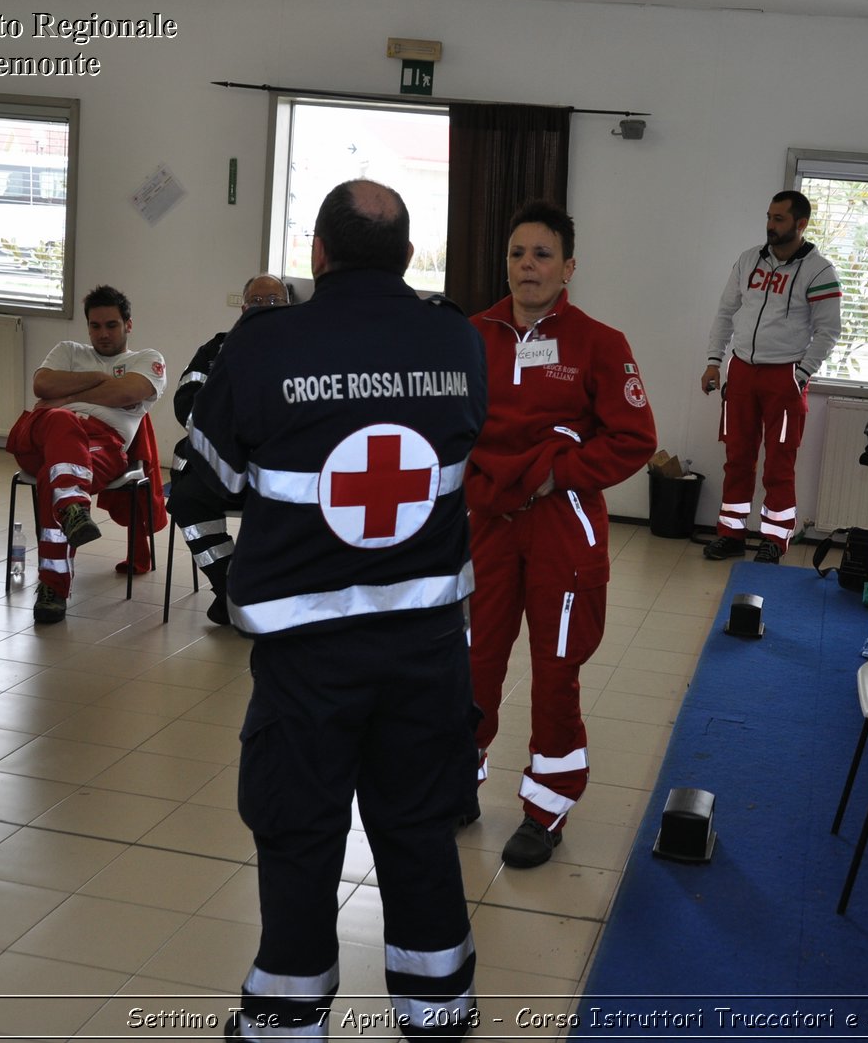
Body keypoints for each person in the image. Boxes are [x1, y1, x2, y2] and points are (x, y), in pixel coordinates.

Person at [186, 180, 484, 1042]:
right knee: (422, 828)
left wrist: (238, 574)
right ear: (407, 258)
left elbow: (205, 482)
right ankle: (438, 1011)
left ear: (318, 253)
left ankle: (285, 1022)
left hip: (304, 660)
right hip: (429, 648)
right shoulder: (458, 341)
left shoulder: (264, 347)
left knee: (299, 833)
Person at [466, 200, 657, 869]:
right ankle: (459, 782)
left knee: (555, 672)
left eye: (542, 254)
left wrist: (557, 477)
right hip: (486, 524)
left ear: (568, 266)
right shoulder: (473, 335)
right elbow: (450, 430)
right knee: (472, 661)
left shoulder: (599, 343)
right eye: (518, 253)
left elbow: (636, 438)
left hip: (561, 524)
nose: (527, 266)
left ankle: (546, 807)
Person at [5, 285, 165, 625]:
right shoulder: (67, 350)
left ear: (128, 325)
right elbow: (42, 386)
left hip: (102, 444)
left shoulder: (146, 359)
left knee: (56, 476)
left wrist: (66, 395)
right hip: (42, 435)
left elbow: (127, 391)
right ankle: (73, 507)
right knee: (61, 422)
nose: (103, 334)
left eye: (111, 325)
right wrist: (96, 378)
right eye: (95, 326)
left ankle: (54, 588)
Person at [700, 190, 842, 563]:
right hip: (742, 372)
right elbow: (726, 313)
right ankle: (730, 534)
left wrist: (801, 374)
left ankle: (774, 540)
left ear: (801, 224)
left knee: (780, 463)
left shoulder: (819, 271)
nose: (770, 225)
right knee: (737, 458)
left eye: (779, 219)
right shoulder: (749, 261)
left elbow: (828, 331)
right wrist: (714, 361)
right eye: (768, 217)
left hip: (784, 377)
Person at [166, 272, 293, 625]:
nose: (265, 308)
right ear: (243, 307)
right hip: (216, 462)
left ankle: (259, 590)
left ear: (288, 307)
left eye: (274, 302)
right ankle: (228, 587)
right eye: (257, 301)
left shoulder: (303, 350)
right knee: (187, 500)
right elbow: (185, 401)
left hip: (276, 467)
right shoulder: (215, 350)